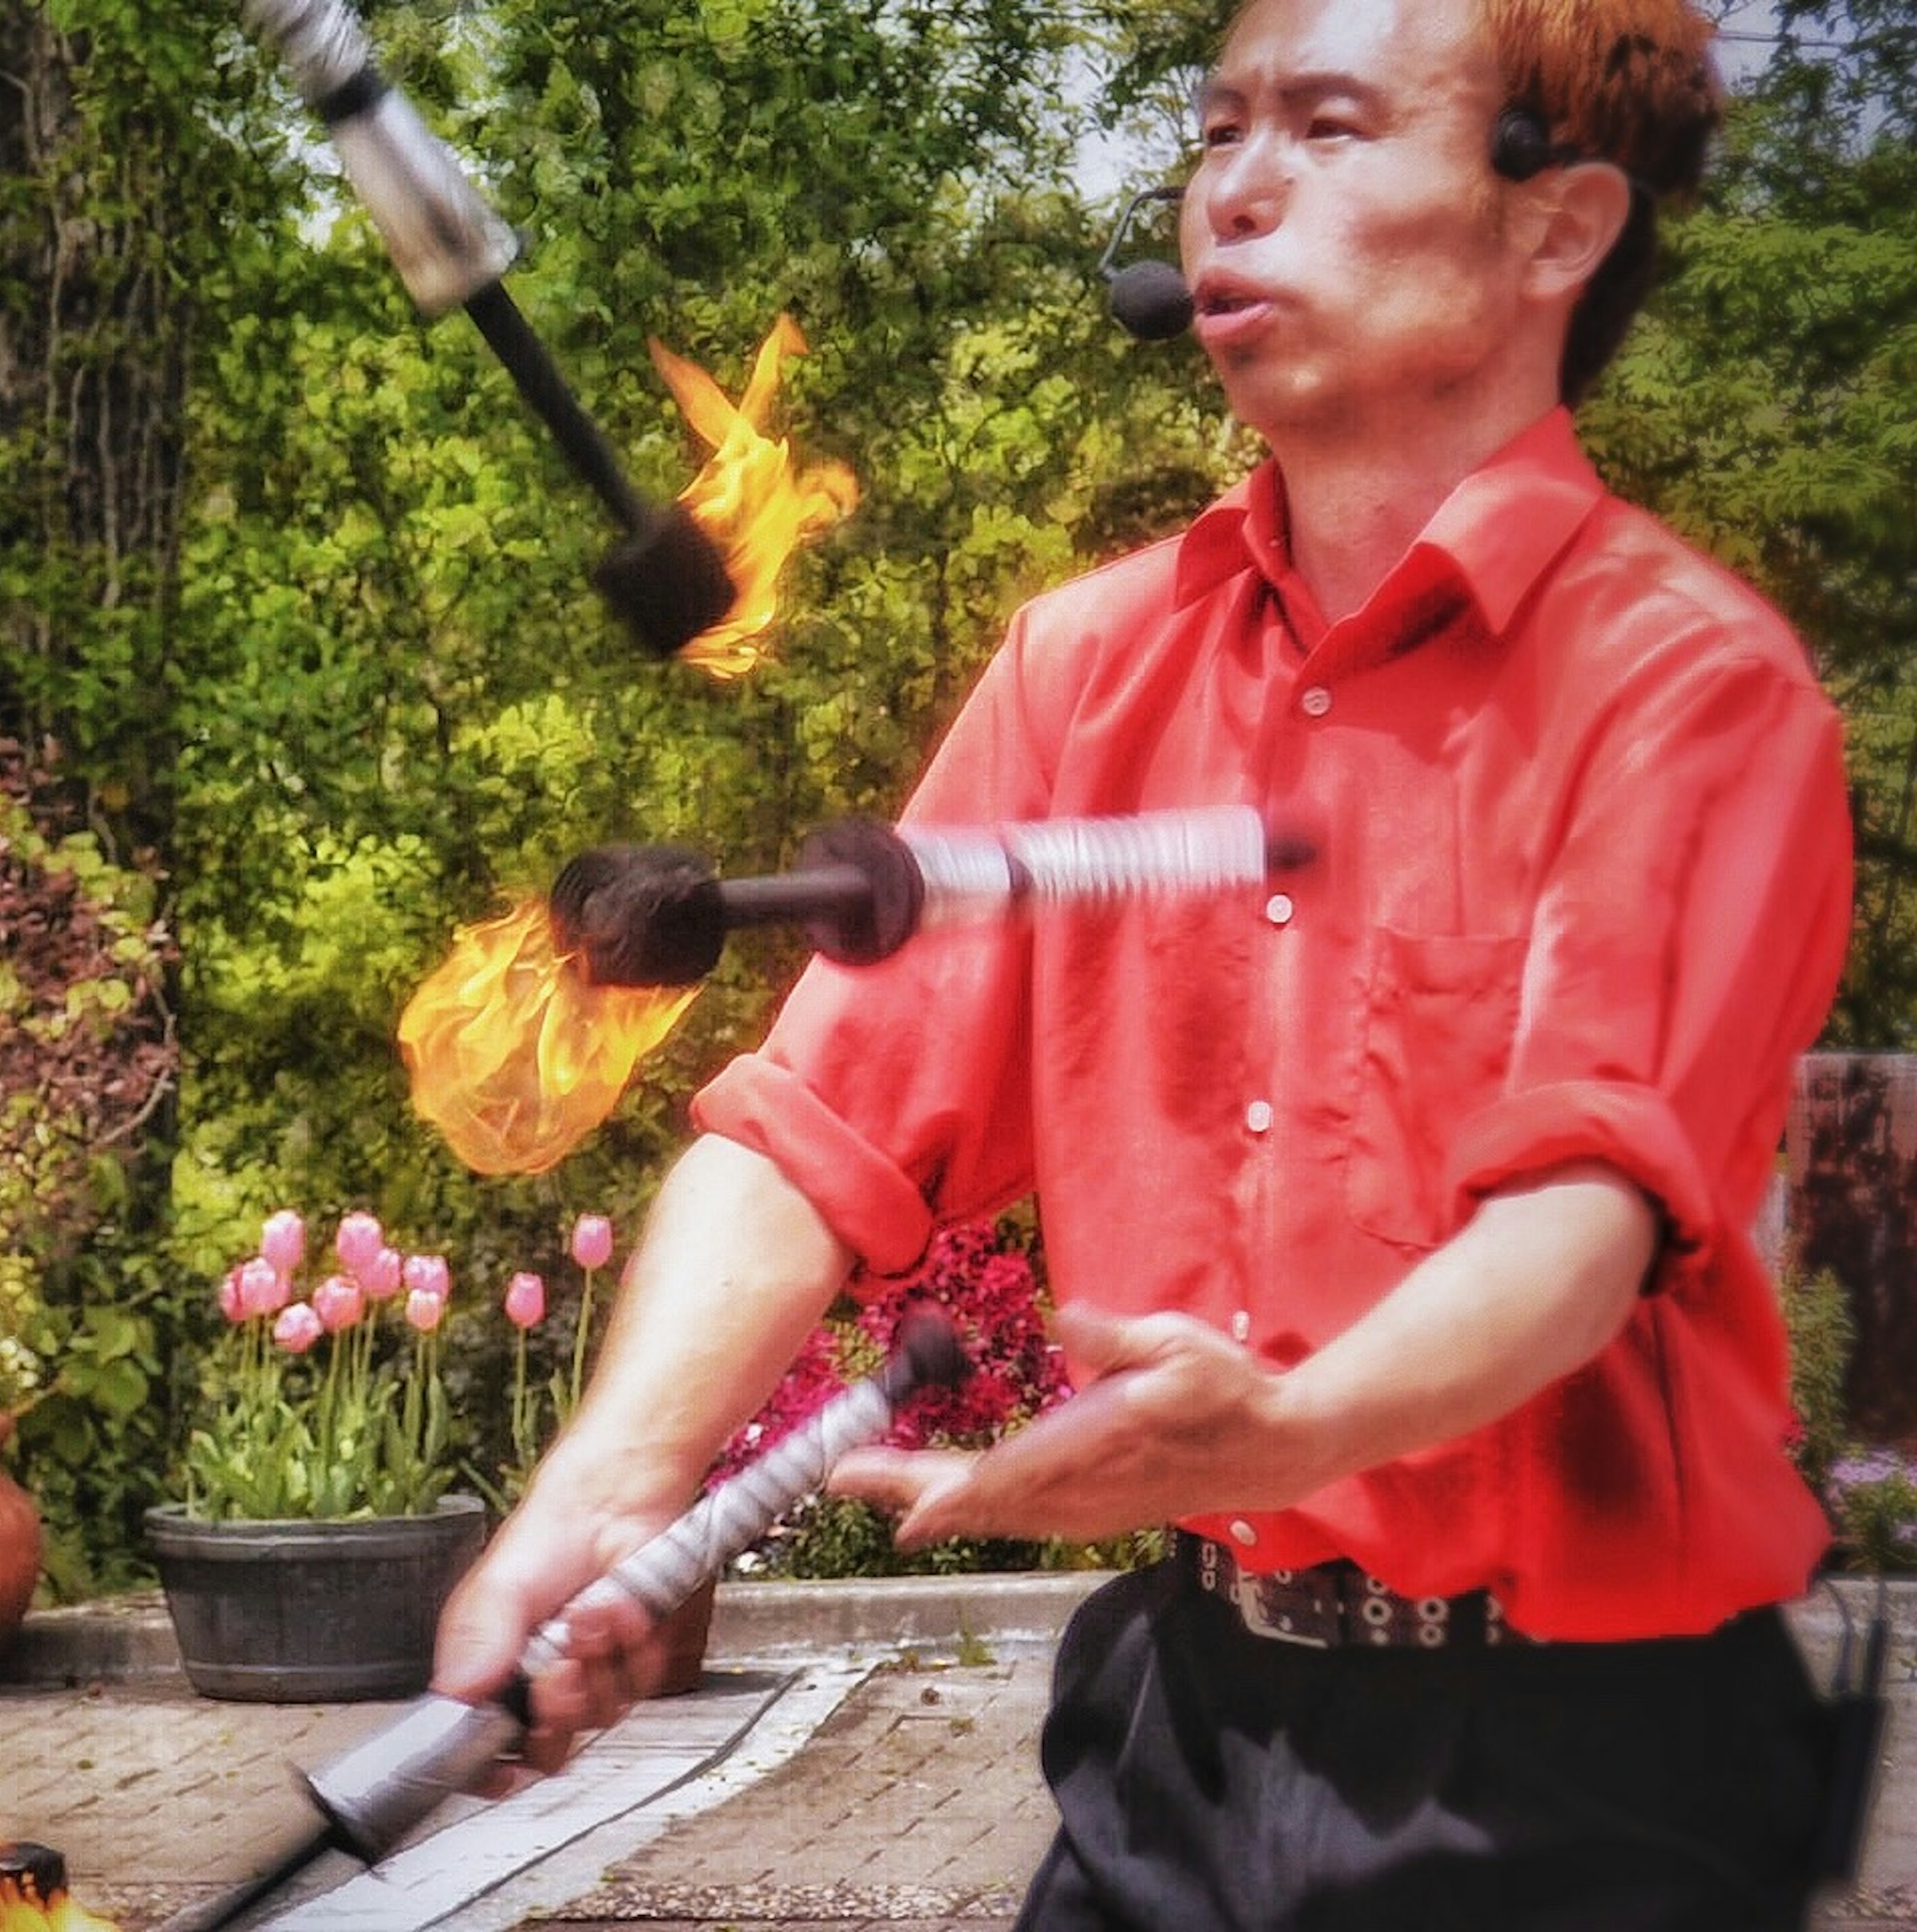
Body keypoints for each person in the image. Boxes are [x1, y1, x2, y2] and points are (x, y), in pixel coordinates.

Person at [435, 0, 1857, 1925]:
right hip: (1182, 1728)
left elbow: (1580, 1225)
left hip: (1594, 1772)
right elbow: (812, 1135)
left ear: (1557, 229)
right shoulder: (1083, 668)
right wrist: (605, 1490)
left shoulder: (1692, 691)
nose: (1234, 192)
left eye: (1331, 129)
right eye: (1218, 131)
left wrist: (1298, 1425)